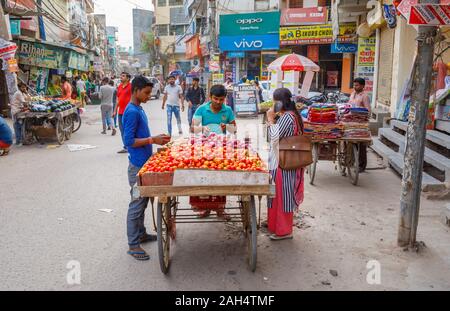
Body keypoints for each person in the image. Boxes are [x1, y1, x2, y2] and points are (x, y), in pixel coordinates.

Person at [122, 75, 171, 261]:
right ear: (136, 90)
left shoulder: (138, 108)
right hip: (137, 166)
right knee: (136, 204)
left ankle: (141, 234)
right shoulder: (132, 111)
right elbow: (128, 141)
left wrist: (156, 141)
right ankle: (133, 244)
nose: (149, 96)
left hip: (144, 162)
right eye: (147, 92)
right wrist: (153, 140)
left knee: (143, 202)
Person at [191, 85, 237, 220]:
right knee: (203, 178)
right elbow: (193, 128)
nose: (218, 102)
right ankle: (204, 208)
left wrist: (227, 126)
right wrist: (201, 128)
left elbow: (234, 129)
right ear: (210, 97)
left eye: (221, 100)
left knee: (221, 178)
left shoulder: (227, 110)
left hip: (221, 149)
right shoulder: (201, 109)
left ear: (225, 99)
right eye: (215, 99)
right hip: (203, 149)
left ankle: (220, 209)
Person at [266, 88, 305, 240]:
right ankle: (275, 225)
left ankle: (283, 231)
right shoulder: (291, 115)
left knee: (282, 196)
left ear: (280, 102)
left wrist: (270, 119)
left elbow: (274, 137)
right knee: (278, 194)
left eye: (275, 101)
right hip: (283, 160)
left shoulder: (288, 117)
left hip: (283, 162)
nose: (273, 104)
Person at [349, 78, 371, 173]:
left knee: (361, 145)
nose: (355, 87)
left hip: (361, 123)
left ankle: (362, 166)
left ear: (362, 86)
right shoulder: (352, 94)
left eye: (357, 85)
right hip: (350, 122)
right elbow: (348, 106)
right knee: (350, 142)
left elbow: (368, 111)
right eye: (354, 85)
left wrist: (361, 114)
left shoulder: (365, 96)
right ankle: (351, 161)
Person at [113, 72, 132, 154]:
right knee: (122, 130)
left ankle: (130, 146)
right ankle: (126, 146)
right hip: (120, 112)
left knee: (129, 129)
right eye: (121, 75)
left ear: (128, 78)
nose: (121, 77)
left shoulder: (131, 87)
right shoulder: (120, 87)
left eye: (123, 76)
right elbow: (118, 100)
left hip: (129, 112)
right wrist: (114, 110)